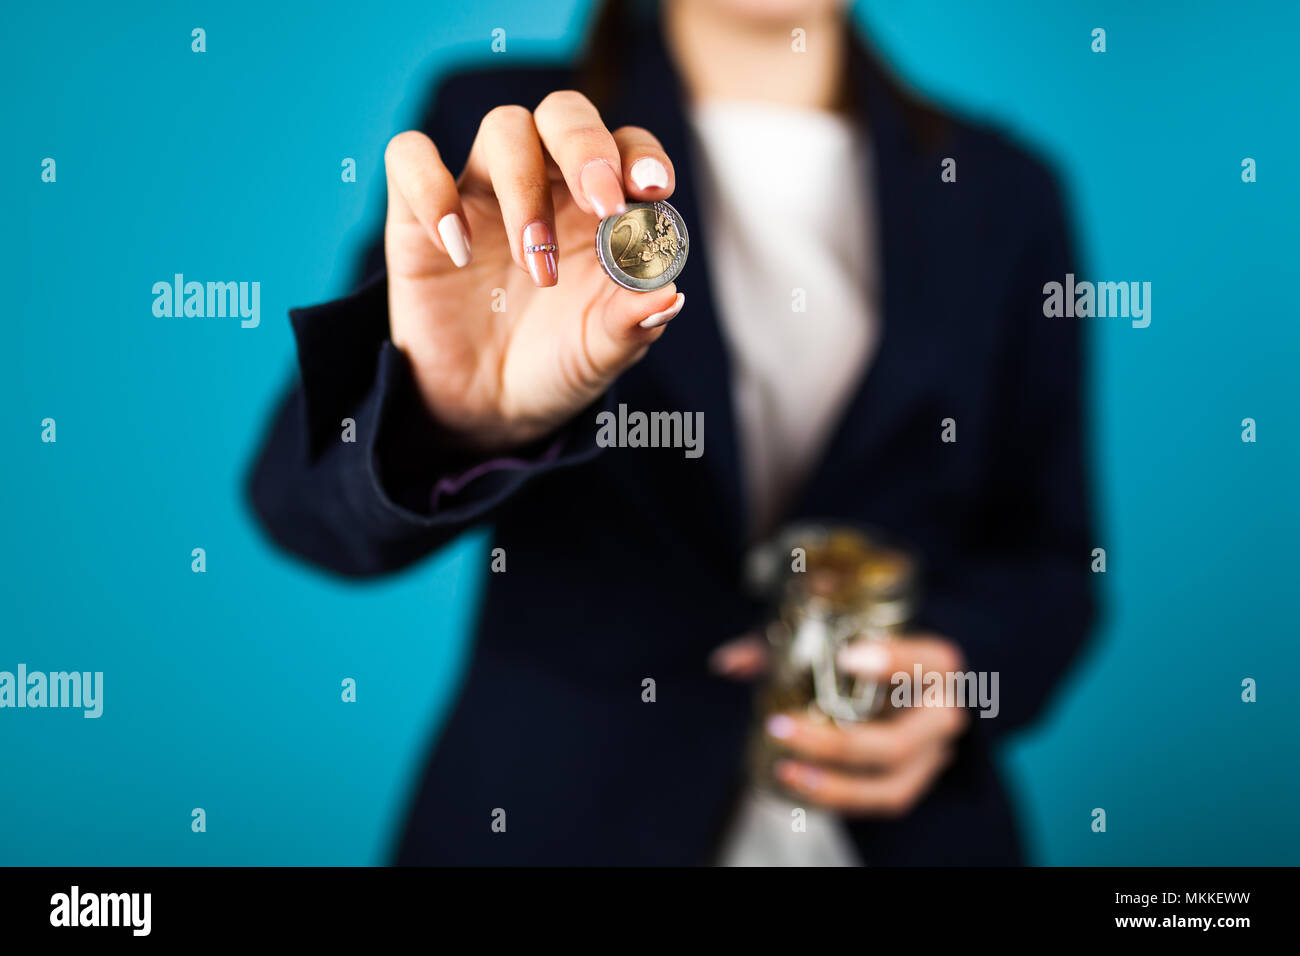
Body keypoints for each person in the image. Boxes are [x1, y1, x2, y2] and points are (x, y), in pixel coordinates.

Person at [248, 0, 1095, 865]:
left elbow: (1058, 560)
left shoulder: (1006, 191)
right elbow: (301, 501)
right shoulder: (501, 131)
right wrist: (456, 415)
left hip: (910, 836)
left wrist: (954, 676)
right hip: (558, 821)